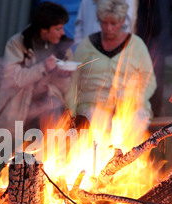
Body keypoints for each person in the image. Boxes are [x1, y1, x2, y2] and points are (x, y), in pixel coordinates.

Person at [66, 0, 156, 130]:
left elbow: (149, 79)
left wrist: (134, 102)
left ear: (123, 21)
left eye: (113, 23)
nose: (108, 28)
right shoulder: (86, 45)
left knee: (134, 123)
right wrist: (70, 113)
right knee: (94, 124)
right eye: (104, 23)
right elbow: (74, 82)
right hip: (93, 107)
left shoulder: (136, 45)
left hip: (131, 107)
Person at [0, 1, 74, 135]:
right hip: (19, 105)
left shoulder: (63, 48)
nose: (63, 33)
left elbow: (65, 90)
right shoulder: (18, 43)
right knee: (23, 147)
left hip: (49, 106)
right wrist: (42, 67)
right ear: (44, 29)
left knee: (53, 107)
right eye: (58, 29)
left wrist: (63, 76)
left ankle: (50, 152)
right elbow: (13, 79)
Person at [136, 0, 172, 117]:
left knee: (154, 79)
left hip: (153, 40)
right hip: (146, 38)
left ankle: (154, 114)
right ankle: (145, 112)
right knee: (141, 78)